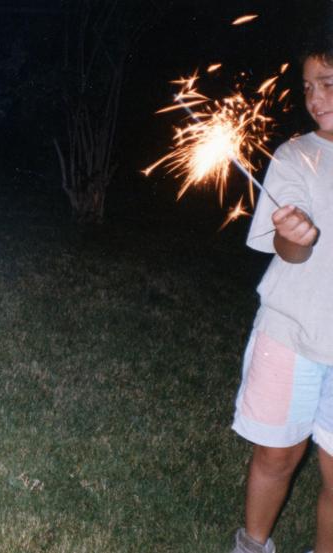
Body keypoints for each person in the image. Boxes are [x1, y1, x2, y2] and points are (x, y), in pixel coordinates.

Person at [230, 42, 333, 553]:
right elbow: (288, 249)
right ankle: (252, 546)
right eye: (309, 87)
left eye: (328, 84)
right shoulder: (296, 155)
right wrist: (295, 234)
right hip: (291, 331)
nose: (314, 98)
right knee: (277, 456)